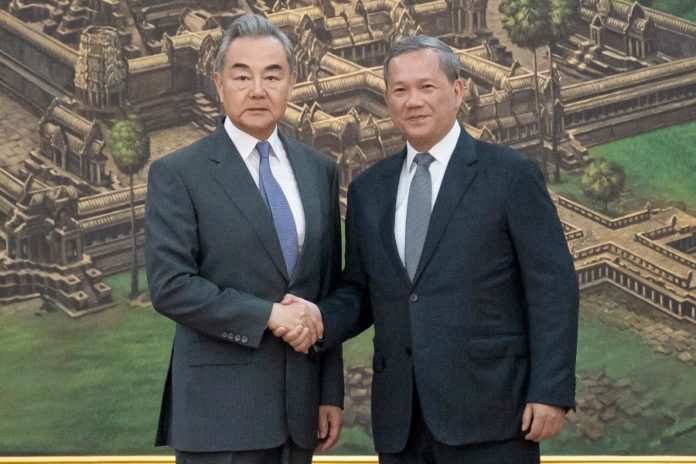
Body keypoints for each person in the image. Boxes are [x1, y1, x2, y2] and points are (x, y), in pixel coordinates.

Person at [279, 36, 579, 464]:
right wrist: (318, 319)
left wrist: (550, 391)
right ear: (387, 99)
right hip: (402, 422)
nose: (413, 101)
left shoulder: (511, 175)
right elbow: (362, 291)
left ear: (458, 90)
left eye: (427, 87)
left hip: (493, 412)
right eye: (400, 90)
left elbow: (553, 287)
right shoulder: (369, 190)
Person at [145, 15, 343, 464]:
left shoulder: (319, 171)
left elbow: (325, 290)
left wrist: (329, 391)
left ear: (291, 82)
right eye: (242, 76)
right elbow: (171, 286)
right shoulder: (179, 173)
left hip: (300, 412)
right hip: (219, 417)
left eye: (272, 76)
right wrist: (268, 315)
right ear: (218, 83)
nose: (258, 90)